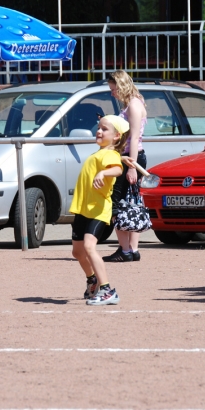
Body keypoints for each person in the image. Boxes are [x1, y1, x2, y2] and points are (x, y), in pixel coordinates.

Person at [71, 115, 133, 306]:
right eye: (98, 127)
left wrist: (103, 172)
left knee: (89, 247)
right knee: (77, 252)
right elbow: (111, 158)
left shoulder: (110, 156)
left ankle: (108, 291)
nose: (99, 131)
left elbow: (117, 170)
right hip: (83, 209)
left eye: (104, 129)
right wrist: (118, 157)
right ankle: (92, 279)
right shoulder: (103, 153)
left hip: (98, 210)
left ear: (116, 136)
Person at [103, 70, 147, 263]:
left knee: (119, 202)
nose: (112, 93)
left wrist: (131, 166)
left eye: (114, 89)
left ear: (121, 86)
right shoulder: (134, 102)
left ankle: (125, 249)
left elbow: (135, 137)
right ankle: (132, 249)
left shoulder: (134, 105)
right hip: (131, 156)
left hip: (131, 157)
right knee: (132, 202)